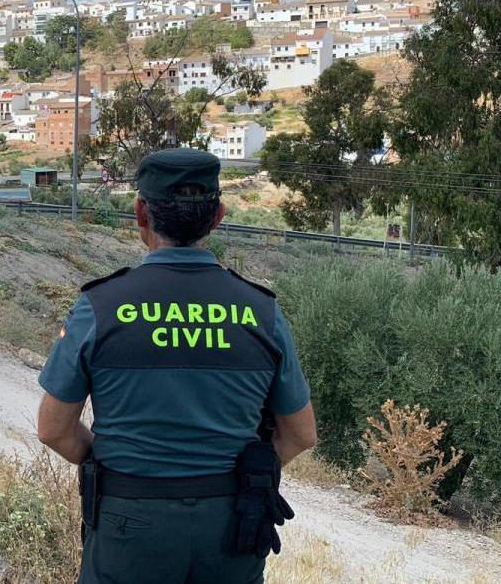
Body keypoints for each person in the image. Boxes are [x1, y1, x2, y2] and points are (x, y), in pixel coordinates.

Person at [36, 148, 317, 584]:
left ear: (140, 214)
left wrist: (117, 463)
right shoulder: (262, 312)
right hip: (232, 525)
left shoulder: (101, 306)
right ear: (219, 216)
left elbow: (53, 429)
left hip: (128, 521)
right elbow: (301, 434)